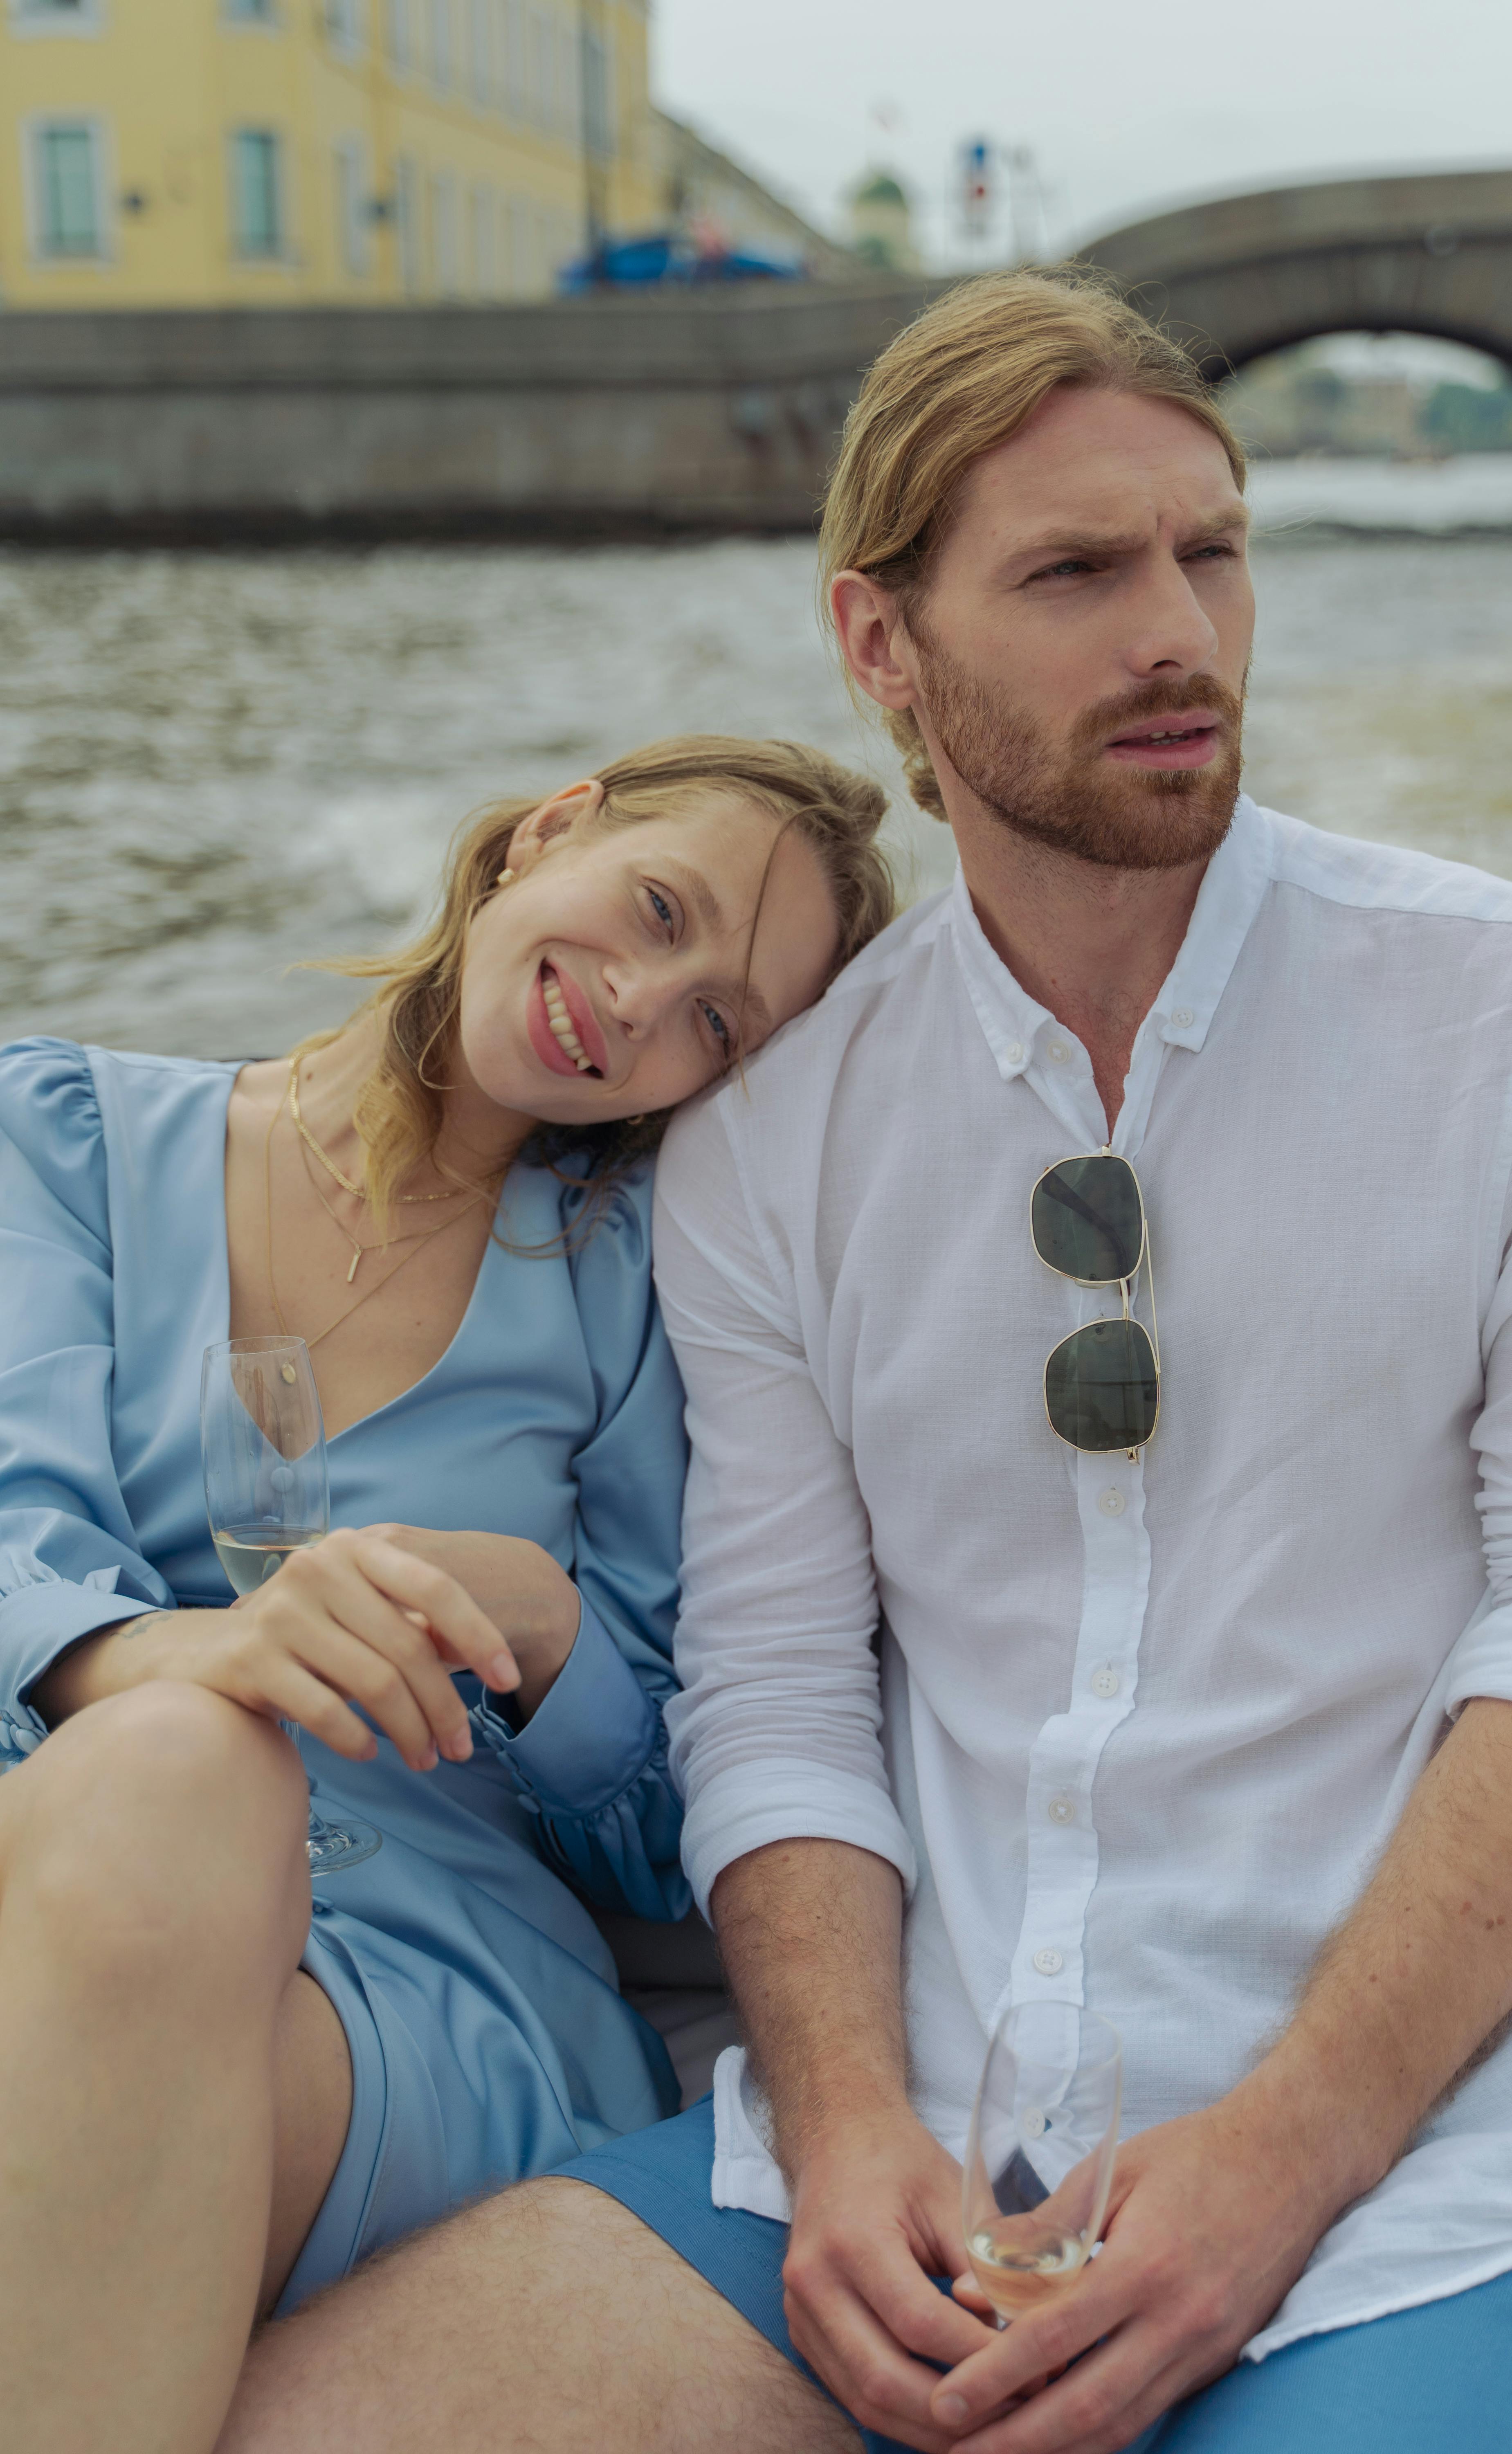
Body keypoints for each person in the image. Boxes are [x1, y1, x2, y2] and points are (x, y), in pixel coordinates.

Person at [219, 271, 1512, 2454]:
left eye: (1212, 552)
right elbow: (774, 1687)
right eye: (1077, 572)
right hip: (893, 2175)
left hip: (1440, 2174)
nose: (1178, 632)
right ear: (881, 645)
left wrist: (1288, 2155)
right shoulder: (776, 1137)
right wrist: (847, 2124)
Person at [0, 733, 896, 2454]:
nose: (639, 1002)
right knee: (176, 1774)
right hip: (69, 1848)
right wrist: (197, 1653)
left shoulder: (649, 1294)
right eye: (654, 909)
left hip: (423, 1969)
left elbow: (671, 1841)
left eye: (716, 1019)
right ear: (549, 830)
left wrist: (555, 1646)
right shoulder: (56, 1134)